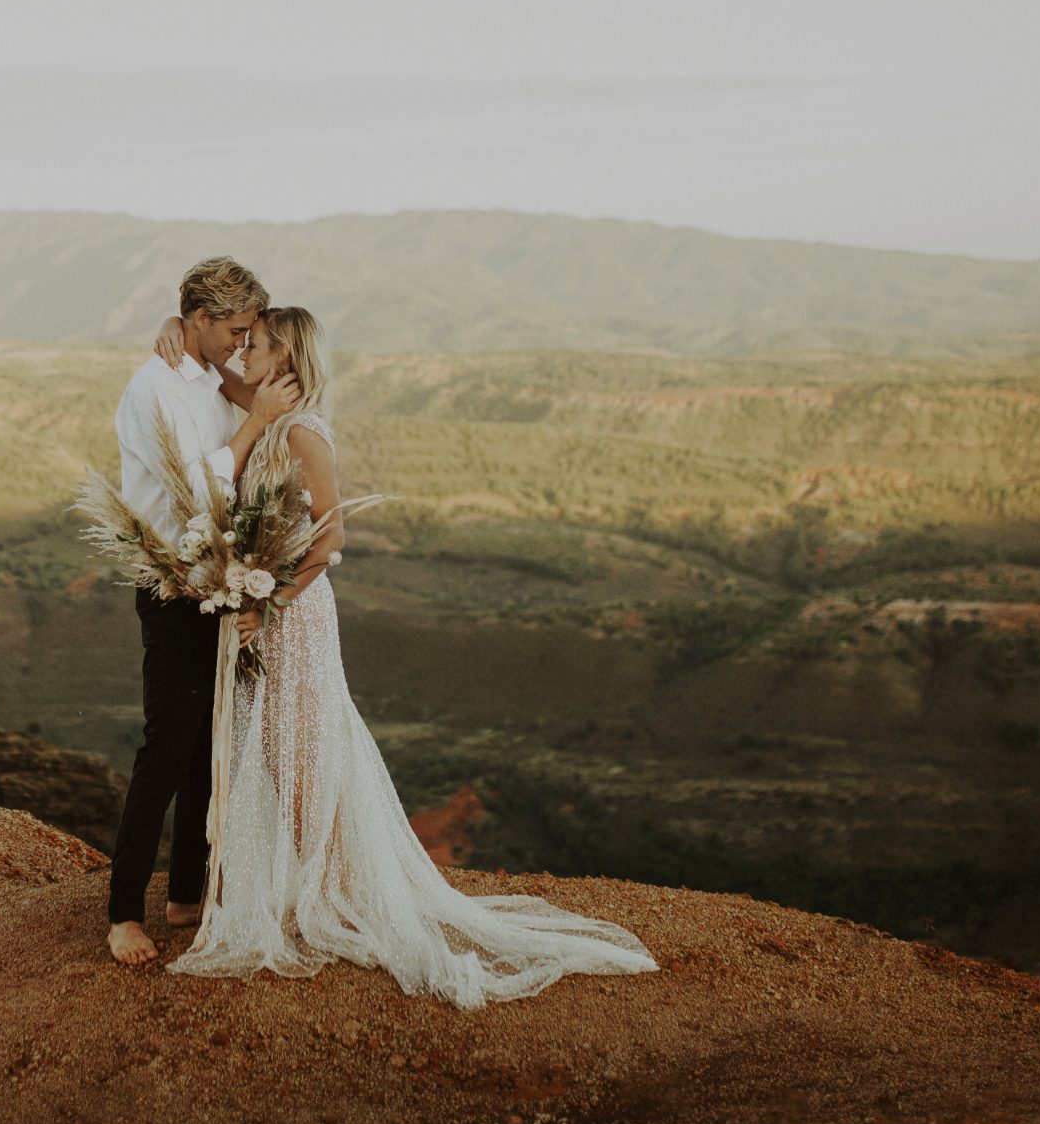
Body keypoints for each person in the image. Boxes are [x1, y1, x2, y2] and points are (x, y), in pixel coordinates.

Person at [153, 305, 661, 1007]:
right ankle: (318, 886)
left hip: (292, 615)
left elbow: (330, 544)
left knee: (303, 759)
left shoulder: (303, 434)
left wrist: (264, 603)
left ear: (287, 357)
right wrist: (185, 339)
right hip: (263, 613)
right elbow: (226, 383)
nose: (244, 353)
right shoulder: (269, 412)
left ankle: (336, 895)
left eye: (257, 344)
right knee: (274, 752)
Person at [103, 257, 304, 967]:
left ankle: (186, 891)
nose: (242, 342)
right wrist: (254, 426)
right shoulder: (155, 389)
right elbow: (199, 490)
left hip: (221, 583)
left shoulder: (214, 377)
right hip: (171, 587)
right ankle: (124, 909)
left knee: (209, 748)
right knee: (166, 747)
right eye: (235, 329)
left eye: (250, 330)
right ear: (199, 320)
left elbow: (279, 379)